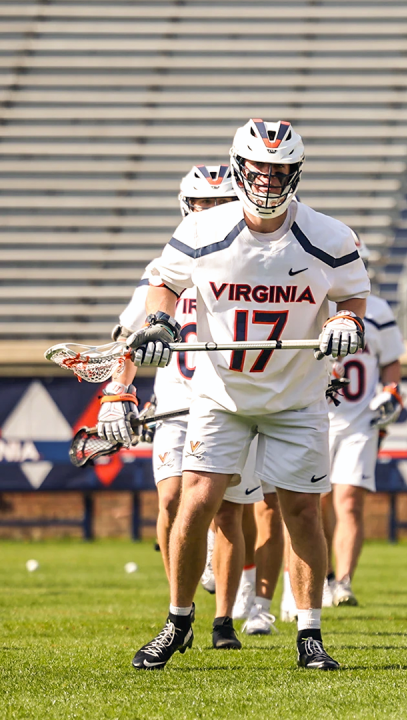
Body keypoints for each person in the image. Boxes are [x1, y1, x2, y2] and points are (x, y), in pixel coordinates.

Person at [117, 119, 369, 670]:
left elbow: (352, 299)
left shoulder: (330, 236)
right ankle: (178, 619)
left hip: (296, 397)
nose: (269, 179)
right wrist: (159, 321)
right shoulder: (207, 229)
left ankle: (309, 635)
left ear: (296, 173)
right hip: (222, 395)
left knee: (302, 510)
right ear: (240, 168)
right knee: (196, 501)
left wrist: (346, 325)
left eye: (280, 170)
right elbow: (164, 280)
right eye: (259, 169)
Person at [105, 164, 263, 650]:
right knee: (173, 502)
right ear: (186, 207)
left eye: (220, 203)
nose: (210, 213)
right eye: (202, 204)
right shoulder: (165, 270)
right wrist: (118, 393)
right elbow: (127, 340)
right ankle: (182, 612)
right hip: (175, 403)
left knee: (229, 514)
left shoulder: (252, 263)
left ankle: (223, 621)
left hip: (231, 402)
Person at [321, 235, 405, 607]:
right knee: (314, 502)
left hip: (359, 420)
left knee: (350, 502)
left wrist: (391, 390)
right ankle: (320, 576)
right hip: (314, 417)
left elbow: (391, 361)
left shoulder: (379, 310)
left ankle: (343, 581)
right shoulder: (307, 306)